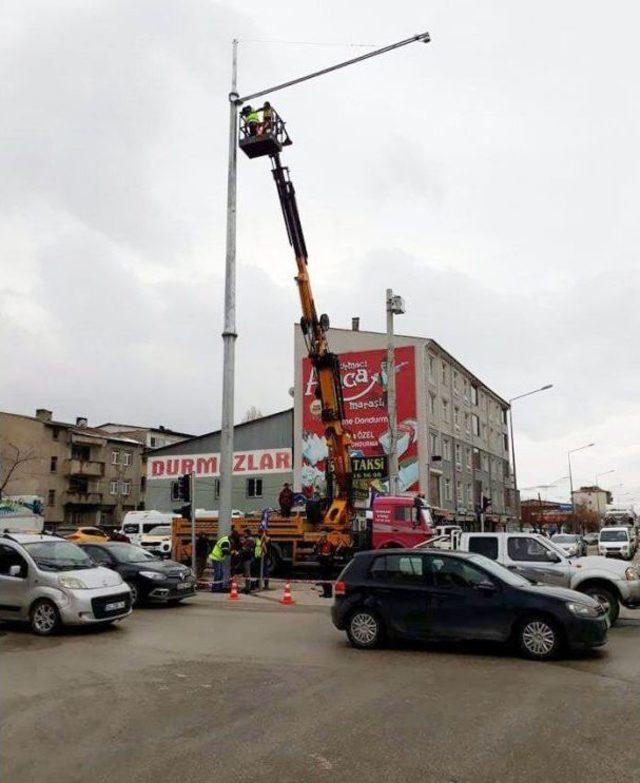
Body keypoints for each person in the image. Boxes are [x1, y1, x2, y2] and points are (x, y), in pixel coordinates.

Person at [315, 530, 335, 598]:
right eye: (321, 537)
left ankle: (329, 593)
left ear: (325, 537)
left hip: (328, 564)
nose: (322, 538)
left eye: (323, 537)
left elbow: (332, 554)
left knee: (328, 579)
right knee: (323, 579)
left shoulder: (330, 544)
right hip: (322, 563)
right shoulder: (319, 544)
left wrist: (329, 559)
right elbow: (317, 553)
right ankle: (325, 593)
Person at [240, 528, 255, 594]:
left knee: (247, 573)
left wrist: (242, 545)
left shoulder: (249, 540)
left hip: (247, 558)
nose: (243, 534)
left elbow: (246, 549)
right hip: (248, 558)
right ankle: (247, 587)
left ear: (247, 533)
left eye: (244, 533)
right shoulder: (249, 540)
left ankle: (247, 588)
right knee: (247, 573)